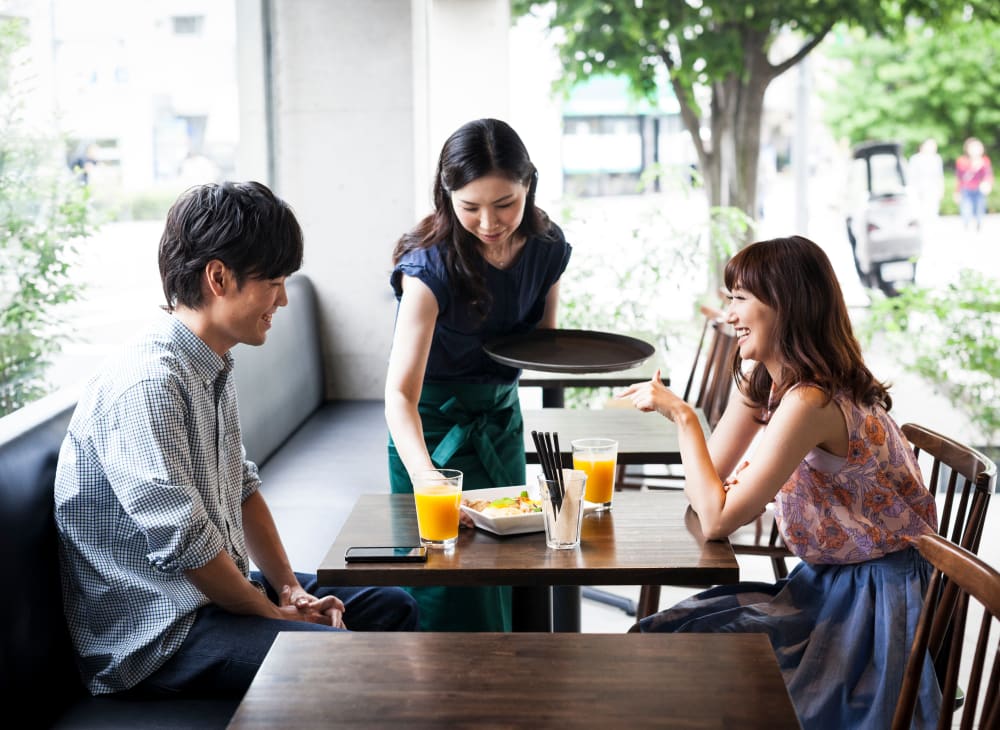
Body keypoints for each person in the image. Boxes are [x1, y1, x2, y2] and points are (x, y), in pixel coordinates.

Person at [54, 181, 419, 699]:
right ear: (219, 277)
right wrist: (278, 614)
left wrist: (290, 588)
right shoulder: (150, 384)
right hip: (160, 637)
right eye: (274, 281)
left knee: (392, 604)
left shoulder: (210, 361)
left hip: (212, 598)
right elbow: (187, 546)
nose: (285, 298)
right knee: (336, 656)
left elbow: (242, 488)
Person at [617, 236, 941, 729]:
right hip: (827, 583)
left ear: (787, 306)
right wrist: (712, 475)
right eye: (730, 299)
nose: (730, 316)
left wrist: (684, 417)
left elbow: (717, 515)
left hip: (876, 606)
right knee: (664, 638)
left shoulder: (811, 401)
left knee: (681, 656)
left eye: (741, 299)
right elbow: (710, 487)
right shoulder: (772, 384)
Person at [385, 118, 571, 631]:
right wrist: (428, 480)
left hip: (500, 421)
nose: (489, 222)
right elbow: (399, 394)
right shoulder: (428, 267)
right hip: (431, 430)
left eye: (505, 204)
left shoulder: (547, 248)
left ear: (528, 185)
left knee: (505, 561)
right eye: (470, 207)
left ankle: (507, 697)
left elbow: (543, 342)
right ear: (448, 198)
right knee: (442, 576)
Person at [955, 136, 993, 231]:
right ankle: (966, 225)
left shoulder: (985, 160)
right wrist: (957, 191)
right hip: (966, 189)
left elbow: (988, 175)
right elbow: (960, 178)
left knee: (980, 207)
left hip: (979, 189)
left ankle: (979, 225)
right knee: (966, 208)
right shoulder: (962, 161)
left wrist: (988, 184)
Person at [908, 138, 944, 223]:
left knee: (933, 211)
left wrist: (941, 189)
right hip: (919, 189)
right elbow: (912, 176)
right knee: (920, 213)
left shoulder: (937, 158)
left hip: (933, 189)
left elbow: (939, 176)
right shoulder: (915, 158)